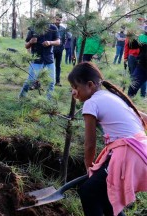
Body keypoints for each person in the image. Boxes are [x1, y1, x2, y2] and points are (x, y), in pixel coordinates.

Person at [68, 62, 147, 216]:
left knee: (88, 191)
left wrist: (89, 166)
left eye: (75, 87)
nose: (73, 92)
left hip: (129, 154)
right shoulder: (111, 96)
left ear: (90, 85)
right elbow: (143, 117)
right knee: (104, 194)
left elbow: (90, 144)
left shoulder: (91, 103)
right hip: (141, 150)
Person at [18, 9, 60, 99]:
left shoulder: (53, 28)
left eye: (42, 16)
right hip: (36, 59)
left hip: (49, 59)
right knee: (30, 80)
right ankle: (22, 97)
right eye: (37, 16)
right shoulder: (33, 28)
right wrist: (30, 42)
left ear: (45, 17)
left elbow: (58, 41)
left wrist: (50, 42)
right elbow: (26, 46)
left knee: (51, 82)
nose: (39, 18)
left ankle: (48, 101)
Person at [124, 29, 146, 97]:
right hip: (142, 67)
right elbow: (132, 46)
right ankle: (129, 102)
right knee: (133, 87)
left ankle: (143, 95)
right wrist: (132, 37)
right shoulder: (143, 37)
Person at [53, 13, 66, 87]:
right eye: (57, 19)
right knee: (50, 65)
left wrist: (62, 47)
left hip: (59, 50)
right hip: (51, 50)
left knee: (58, 66)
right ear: (54, 19)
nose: (58, 21)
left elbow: (64, 39)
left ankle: (57, 81)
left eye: (59, 20)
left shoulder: (63, 29)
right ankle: (50, 81)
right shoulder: (50, 27)